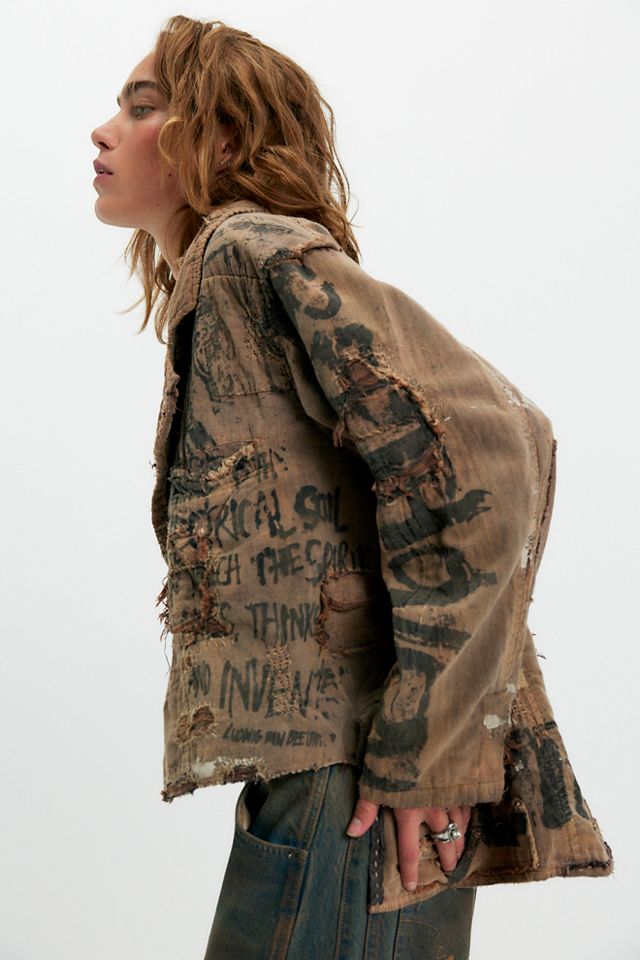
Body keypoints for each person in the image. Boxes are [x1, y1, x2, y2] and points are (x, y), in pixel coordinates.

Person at [90, 15, 613, 960]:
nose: (105, 130)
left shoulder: (251, 250)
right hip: (338, 787)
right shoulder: (227, 275)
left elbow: (499, 443)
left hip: (362, 794)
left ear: (223, 139)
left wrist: (429, 755)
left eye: (142, 107)